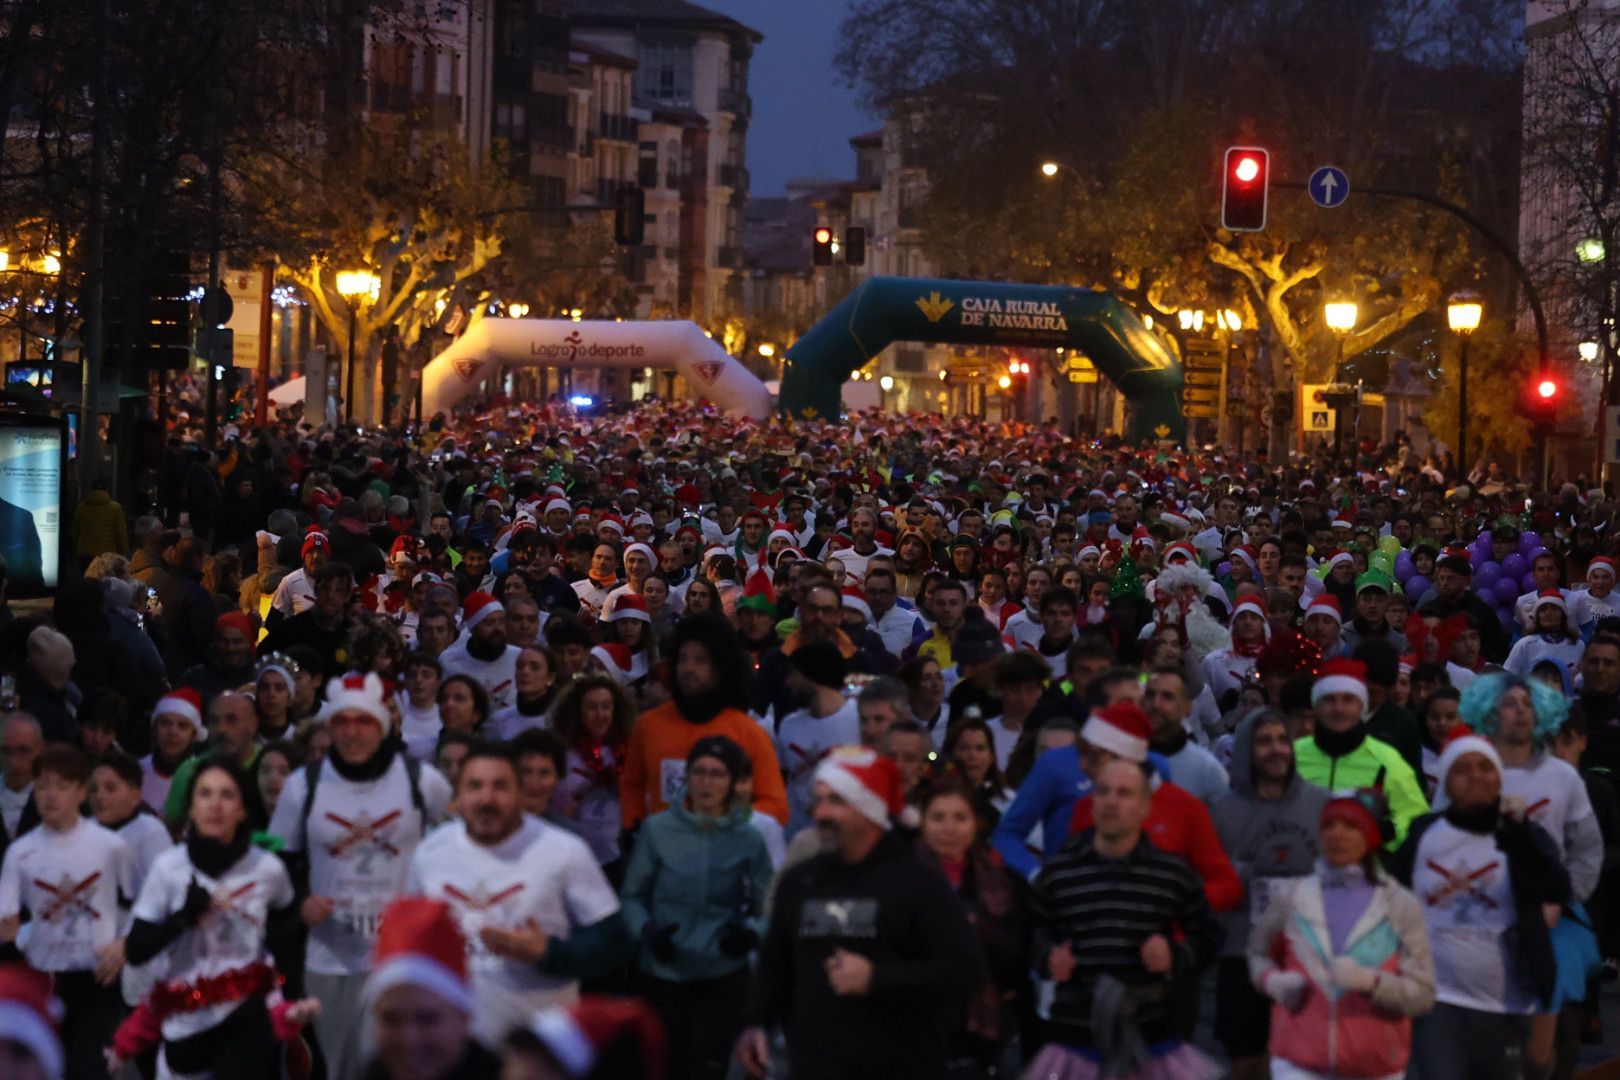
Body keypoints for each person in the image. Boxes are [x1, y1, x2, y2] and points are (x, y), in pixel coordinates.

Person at [735, 748, 985, 1080]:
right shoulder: (801, 881)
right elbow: (776, 964)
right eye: (818, 799)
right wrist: (756, 1023)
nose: (821, 812)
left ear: (870, 810)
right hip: (815, 1065)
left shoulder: (917, 882)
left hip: (901, 1065)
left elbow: (965, 969)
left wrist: (877, 979)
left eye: (837, 800)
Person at [266, 671, 452, 1080]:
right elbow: (276, 862)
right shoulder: (303, 786)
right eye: (342, 722)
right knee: (341, 1069)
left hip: (401, 956)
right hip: (329, 957)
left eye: (363, 721)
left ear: (382, 726)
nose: (352, 731)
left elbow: (462, 846)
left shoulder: (422, 782)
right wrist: (300, 898)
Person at [407, 741, 628, 1043]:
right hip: (455, 1046)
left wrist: (549, 953)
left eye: (500, 786)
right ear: (457, 796)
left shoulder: (564, 850)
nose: (487, 799)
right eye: (474, 786)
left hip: (539, 1045)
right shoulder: (431, 853)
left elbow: (614, 941)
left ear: (520, 794)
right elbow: (409, 938)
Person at [118, 757, 319, 1079]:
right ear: (192, 807)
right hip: (187, 1017)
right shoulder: (168, 867)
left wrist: (287, 998)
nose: (215, 805)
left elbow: (288, 934)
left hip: (250, 1014)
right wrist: (183, 917)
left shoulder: (267, 868)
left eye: (227, 795)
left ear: (242, 809)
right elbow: (136, 949)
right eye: (205, 794)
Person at [1390, 727, 1571, 1080]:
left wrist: (1521, 848)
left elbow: (1559, 888)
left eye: (1484, 767)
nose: (1475, 776)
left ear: (1499, 777)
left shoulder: (1523, 835)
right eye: (1463, 768)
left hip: (1507, 1002)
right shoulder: (1423, 833)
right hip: (1436, 998)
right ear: (1446, 780)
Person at [1026, 758, 1223, 1079]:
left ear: (1145, 806)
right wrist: (1047, 956)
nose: (1111, 802)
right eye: (1103, 792)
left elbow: (1210, 936)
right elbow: (1032, 931)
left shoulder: (1170, 873)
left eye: (1124, 793)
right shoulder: (1060, 871)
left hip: (1149, 1038)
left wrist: (1174, 955)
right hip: (1076, 1037)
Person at [1247, 789, 1436, 1080]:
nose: (1337, 834)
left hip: (1374, 1065)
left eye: (1350, 826)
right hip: (1298, 1063)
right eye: (1329, 825)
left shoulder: (1400, 905)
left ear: (1369, 836)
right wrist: (1272, 981)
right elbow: (1257, 952)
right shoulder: (1292, 895)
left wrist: (1373, 983)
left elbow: (1422, 994)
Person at [621, 736, 772, 1080]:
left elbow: (769, 903)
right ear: (687, 778)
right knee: (662, 1067)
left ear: (733, 782)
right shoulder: (659, 830)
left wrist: (751, 934)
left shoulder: (749, 838)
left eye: (717, 774)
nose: (706, 783)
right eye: (699, 773)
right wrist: (647, 932)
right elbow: (632, 897)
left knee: (707, 1068)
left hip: (720, 972)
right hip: (665, 968)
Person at [1209, 708, 1331, 1080]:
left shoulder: (1321, 803)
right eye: (1265, 741)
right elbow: (1209, 883)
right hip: (1242, 952)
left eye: (1282, 740)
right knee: (1247, 1060)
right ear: (1246, 749)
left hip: (1307, 951)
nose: (1277, 749)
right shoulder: (1222, 811)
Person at [0, 745, 133, 1080]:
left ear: (81, 791)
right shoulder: (20, 852)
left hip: (96, 977)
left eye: (61, 786)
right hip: (43, 978)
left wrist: (123, 946)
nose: (50, 795)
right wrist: (23, 940)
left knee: (89, 1070)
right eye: (43, 785)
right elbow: (6, 920)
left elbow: (138, 906)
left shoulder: (110, 846)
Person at [620, 614, 787, 830]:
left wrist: (729, 825)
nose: (689, 668)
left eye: (700, 660)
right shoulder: (647, 726)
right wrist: (633, 826)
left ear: (720, 670)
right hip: (663, 853)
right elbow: (632, 784)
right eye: (683, 659)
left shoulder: (747, 732)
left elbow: (776, 805)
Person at [913, 772, 1028, 1077]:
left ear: (975, 823)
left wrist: (974, 931)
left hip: (982, 1021)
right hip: (916, 1019)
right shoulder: (902, 878)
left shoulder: (1001, 881)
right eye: (938, 817)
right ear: (922, 822)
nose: (948, 828)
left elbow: (1016, 949)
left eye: (959, 817)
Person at [358, 897, 503, 1080]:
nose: (409, 1039)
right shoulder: (376, 1073)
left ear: (464, 1018)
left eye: (427, 1019)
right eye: (392, 1019)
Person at [1292, 659, 1428, 847]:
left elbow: (1416, 820)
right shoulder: (1291, 756)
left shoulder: (1387, 760)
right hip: (1299, 869)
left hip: (1363, 871)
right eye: (1329, 699)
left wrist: (1386, 833)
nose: (1338, 708)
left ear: (1361, 707)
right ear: (1316, 707)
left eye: (1348, 700)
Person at [549, 673, 635, 870]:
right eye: (591, 707)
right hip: (572, 857)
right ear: (577, 711)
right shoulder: (561, 752)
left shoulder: (630, 751)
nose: (600, 715)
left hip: (618, 857)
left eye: (606, 706)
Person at [776, 641, 861, 838]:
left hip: (845, 835)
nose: (789, 682)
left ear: (811, 675)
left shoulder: (859, 717)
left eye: (793, 674)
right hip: (798, 836)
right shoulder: (789, 725)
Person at [163, 692, 263, 829]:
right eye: (214, 720)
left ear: (253, 724)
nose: (221, 729)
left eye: (232, 720)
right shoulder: (189, 770)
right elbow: (170, 830)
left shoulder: (272, 765)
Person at [1142, 665, 1229, 803]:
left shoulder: (1207, 769)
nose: (1156, 704)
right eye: (1150, 695)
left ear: (1186, 708)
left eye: (1167, 697)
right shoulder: (1122, 757)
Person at [437, 592, 521, 714]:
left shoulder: (519, 657)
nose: (497, 628)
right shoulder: (449, 659)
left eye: (501, 621)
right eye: (489, 623)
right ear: (473, 627)